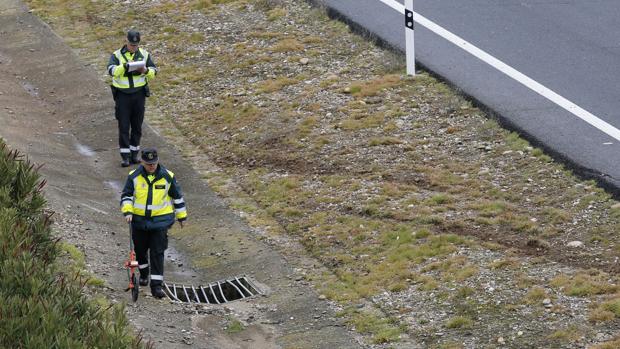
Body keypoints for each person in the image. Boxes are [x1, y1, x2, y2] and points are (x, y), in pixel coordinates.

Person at [120, 148, 187, 298]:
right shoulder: (134, 177)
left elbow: (177, 197)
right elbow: (126, 196)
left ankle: (156, 286)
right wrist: (128, 212)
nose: (152, 166)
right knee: (140, 251)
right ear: (142, 162)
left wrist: (182, 217)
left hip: (160, 222)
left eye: (154, 163)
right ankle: (144, 273)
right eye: (149, 163)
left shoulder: (167, 177)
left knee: (158, 252)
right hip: (139, 222)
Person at [108, 29, 157, 167]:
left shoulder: (144, 54)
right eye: (131, 45)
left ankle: (134, 154)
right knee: (124, 126)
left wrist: (145, 71)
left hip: (139, 95)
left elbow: (154, 72)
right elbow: (111, 71)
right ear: (126, 41)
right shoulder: (117, 55)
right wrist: (125, 66)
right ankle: (125, 156)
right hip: (123, 95)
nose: (134, 47)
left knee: (137, 126)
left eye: (136, 45)